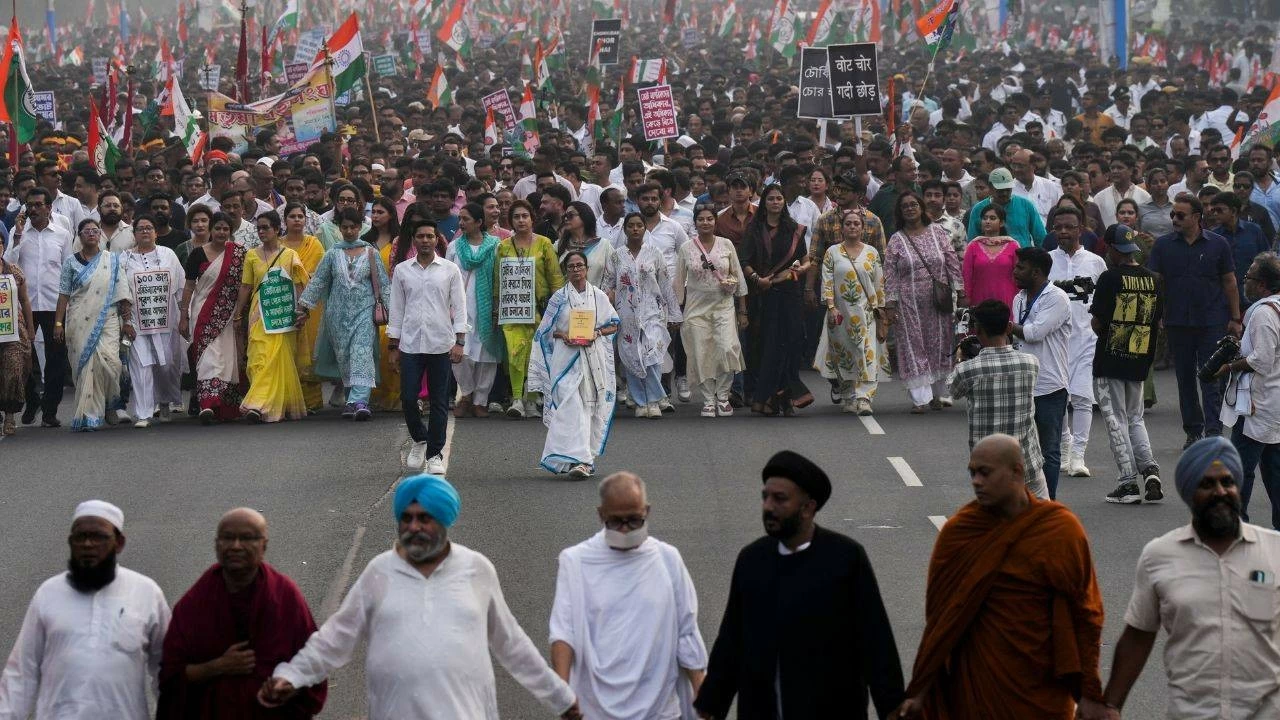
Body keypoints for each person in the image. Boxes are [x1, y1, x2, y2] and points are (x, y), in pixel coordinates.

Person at [258, 474, 583, 720]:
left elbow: (512, 645)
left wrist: (560, 698)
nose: (414, 527)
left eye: (424, 518)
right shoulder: (379, 572)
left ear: (444, 521)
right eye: (407, 518)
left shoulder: (476, 569)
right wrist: (291, 676)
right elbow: (333, 639)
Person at [893, 434, 1106, 720]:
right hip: (977, 687)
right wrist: (920, 689)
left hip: (1042, 689)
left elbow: (1087, 612)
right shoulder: (960, 533)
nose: (976, 482)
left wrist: (1090, 692)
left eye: (985, 472)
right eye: (972, 473)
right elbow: (941, 622)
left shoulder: (1059, 529)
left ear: (1017, 471)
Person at [695, 450, 904, 719]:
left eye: (780, 499)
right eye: (765, 497)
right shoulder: (752, 560)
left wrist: (893, 706)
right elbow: (732, 639)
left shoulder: (845, 558)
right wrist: (711, 703)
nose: (768, 506)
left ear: (808, 508)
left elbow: (876, 640)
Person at [1101, 437, 1280, 719]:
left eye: (1227, 482)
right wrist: (1110, 705)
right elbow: (1138, 636)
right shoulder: (1159, 556)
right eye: (1207, 485)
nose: (1220, 491)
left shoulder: (1275, 551)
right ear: (1188, 493)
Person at [550, 471, 708, 718]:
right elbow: (563, 632)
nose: (625, 530)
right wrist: (563, 693)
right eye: (616, 521)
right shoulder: (576, 561)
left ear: (647, 511)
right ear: (601, 515)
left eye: (634, 520)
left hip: (660, 707)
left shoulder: (667, 559)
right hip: (597, 708)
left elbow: (686, 631)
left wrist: (701, 689)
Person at [0, 500, 170, 719]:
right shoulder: (48, 593)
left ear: (119, 543)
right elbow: (22, 672)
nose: (88, 544)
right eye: (80, 537)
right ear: (71, 543)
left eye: (99, 537)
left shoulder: (147, 592)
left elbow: (166, 669)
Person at [157, 508, 326, 719]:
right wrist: (217, 667)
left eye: (247, 538)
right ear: (216, 545)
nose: (236, 546)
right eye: (228, 538)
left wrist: (287, 684)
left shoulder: (284, 596)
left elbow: (312, 662)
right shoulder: (196, 603)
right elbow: (171, 676)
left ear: (264, 545)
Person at [1147, 194, 1242, 448]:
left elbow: (1229, 281)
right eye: (1172, 215)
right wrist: (1155, 316)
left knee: (1211, 376)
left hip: (1212, 321)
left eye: (1180, 215)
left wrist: (1235, 318)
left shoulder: (1218, 244)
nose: (1174, 219)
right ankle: (1193, 432)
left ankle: (1213, 431)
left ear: (1197, 217)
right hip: (1178, 322)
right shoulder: (1163, 246)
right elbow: (1155, 283)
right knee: (1185, 379)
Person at [1089, 226, 1166, 505]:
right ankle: (1150, 469)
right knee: (1135, 417)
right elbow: (1156, 323)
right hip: (1140, 355)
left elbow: (1097, 323)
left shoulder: (1109, 278)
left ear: (1111, 248)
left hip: (1110, 358)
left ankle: (1127, 483)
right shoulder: (1154, 279)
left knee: (1114, 418)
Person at [295, 207, 391, 421]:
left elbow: (384, 285)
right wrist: (303, 307)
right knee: (346, 357)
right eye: (345, 227)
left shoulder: (370, 253)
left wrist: (394, 313)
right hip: (337, 315)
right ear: (339, 228)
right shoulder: (332, 253)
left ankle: (360, 401)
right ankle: (351, 400)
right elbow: (318, 281)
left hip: (365, 313)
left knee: (362, 353)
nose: (349, 231)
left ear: (360, 228)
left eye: (353, 227)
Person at [528, 251, 619, 476]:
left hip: (592, 359)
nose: (576, 270)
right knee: (570, 407)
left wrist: (597, 332)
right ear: (566, 271)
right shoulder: (558, 298)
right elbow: (545, 331)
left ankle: (583, 461)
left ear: (587, 269)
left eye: (580, 266)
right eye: (571, 267)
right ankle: (576, 458)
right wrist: (564, 335)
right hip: (566, 358)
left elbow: (614, 324)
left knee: (587, 408)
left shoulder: (598, 296)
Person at [948, 300, 1050, 499]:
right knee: (1044, 521)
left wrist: (961, 357)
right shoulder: (1030, 363)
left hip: (989, 471)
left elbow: (953, 390)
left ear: (977, 330)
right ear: (1009, 327)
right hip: (1026, 463)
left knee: (996, 526)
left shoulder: (967, 370)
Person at [389, 220, 468, 475]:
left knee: (439, 402)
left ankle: (435, 454)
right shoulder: (402, 270)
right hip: (411, 343)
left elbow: (460, 305)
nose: (425, 240)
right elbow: (397, 308)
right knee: (409, 398)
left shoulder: (449, 270)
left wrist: (459, 341)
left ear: (437, 240)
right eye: (420, 236)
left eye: (429, 236)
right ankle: (419, 438)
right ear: (413, 239)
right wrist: (393, 344)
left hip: (440, 342)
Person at [884, 191, 965, 413]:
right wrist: (890, 304)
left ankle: (938, 395)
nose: (910, 209)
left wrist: (960, 290)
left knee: (939, 344)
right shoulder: (896, 239)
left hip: (938, 302)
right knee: (913, 347)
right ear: (900, 212)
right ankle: (920, 399)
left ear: (921, 207)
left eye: (913, 204)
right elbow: (889, 273)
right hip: (908, 303)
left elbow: (951, 261)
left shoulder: (937, 232)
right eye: (905, 206)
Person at [739, 184, 814, 416]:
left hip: (790, 294)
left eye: (779, 198)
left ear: (784, 202)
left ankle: (786, 398)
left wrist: (795, 273)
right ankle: (772, 398)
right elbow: (744, 261)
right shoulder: (755, 229)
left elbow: (807, 261)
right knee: (769, 346)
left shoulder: (795, 230)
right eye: (770, 198)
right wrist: (756, 278)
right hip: (763, 295)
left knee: (791, 344)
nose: (775, 202)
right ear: (764, 203)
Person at [54, 219, 135, 431]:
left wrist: (127, 321)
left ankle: (110, 402)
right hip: (78, 320)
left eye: (95, 230)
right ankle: (88, 415)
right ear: (79, 236)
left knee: (111, 363)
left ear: (100, 235)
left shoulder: (112, 261)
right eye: (86, 231)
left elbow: (123, 293)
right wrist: (58, 323)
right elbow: (64, 294)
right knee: (86, 366)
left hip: (108, 318)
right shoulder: (70, 263)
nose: (91, 234)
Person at [1219, 253, 1280, 529]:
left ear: (1264, 284)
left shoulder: (1264, 312)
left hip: (1257, 404)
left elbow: (1262, 360)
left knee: (1239, 468)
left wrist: (1230, 366)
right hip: (1272, 404)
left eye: (1249, 277)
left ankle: (1236, 526)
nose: (1245, 282)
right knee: (1274, 470)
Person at [1048, 205, 1108, 478]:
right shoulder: (1046, 261)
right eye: (1058, 227)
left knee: (1083, 396)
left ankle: (1079, 454)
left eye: (1069, 226)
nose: (1063, 231)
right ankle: (1064, 447)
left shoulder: (1096, 262)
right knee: (1059, 399)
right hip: (1054, 343)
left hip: (1086, 339)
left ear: (1080, 229)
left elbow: (1104, 303)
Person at [232, 210, 309, 423]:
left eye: (266, 228)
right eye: (259, 228)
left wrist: (302, 311)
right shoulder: (251, 255)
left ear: (277, 230)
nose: (262, 231)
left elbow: (299, 284)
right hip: (258, 314)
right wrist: (238, 314)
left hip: (282, 313)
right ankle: (265, 403)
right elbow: (246, 286)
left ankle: (258, 404)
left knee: (277, 359)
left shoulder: (289, 255)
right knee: (258, 357)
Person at [4, 188, 72, 427]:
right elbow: (9, 266)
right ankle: (32, 400)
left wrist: (67, 306)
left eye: (37, 205)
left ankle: (50, 410)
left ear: (48, 208)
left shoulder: (62, 235)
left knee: (55, 359)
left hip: (54, 305)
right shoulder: (17, 232)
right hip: (24, 305)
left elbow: (67, 270)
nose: (32, 209)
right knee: (23, 358)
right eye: (29, 205)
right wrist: (18, 237)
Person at [603, 213, 682, 418]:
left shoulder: (655, 253)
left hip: (652, 313)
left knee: (652, 356)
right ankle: (640, 402)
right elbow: (608, 284)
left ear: (645, 228)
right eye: (631, 226)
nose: (635, 229)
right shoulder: (617, 255)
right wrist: (603, 310)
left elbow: (665, 284)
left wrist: (674, 313)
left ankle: (654, 400)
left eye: (639, 225)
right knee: (631, 356)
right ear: (625, 229)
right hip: (626, 314)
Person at [1011, 246, 1073, 499]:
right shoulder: (1019, 298)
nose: (1014, 271)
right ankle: (1025, 502)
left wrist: (1004, 326)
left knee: (1049, 451)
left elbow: (1035, 333)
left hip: (1050, 386)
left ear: (1036, 272)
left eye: (1020, 267)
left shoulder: (1056, 297)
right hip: (1023, 384)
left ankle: (1047, 505)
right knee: (1020, 450)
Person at [674, 205, 748, 417]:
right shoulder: (686, 248)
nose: (705, 223)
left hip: (723, 305)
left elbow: (738, 276)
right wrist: (676, 313)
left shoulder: (726, 244)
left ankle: (723, 396)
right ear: (695, 222)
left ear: (715, 222)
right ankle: (708, 399)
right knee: (701, 353)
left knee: (727, 348)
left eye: (709, 219)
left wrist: (743, 310)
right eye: (701, 219)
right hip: (695, 308)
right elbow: (678, 282)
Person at [494, 200, 564, 419]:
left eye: (525, 216)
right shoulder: (504, 246)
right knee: (515, 352)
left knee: (535, 355)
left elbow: (554, 278)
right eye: (516, 217)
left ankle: (532, 400)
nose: (521, 220)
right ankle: (516, 398)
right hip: (513, 309)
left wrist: (557, 309)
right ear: (511, 221)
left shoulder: (544, 244)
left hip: (539, 310)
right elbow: (498, 279)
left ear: (532, 219)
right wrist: (497, 306)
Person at [180, 212, 247, 424]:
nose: (221, 232)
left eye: (225, 229)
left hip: (230, 315)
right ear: (211, 230)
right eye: (217, 228)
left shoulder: (239, 254)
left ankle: (224, 406)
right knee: (207, 358)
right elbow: (189, 286)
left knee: (228, 359)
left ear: (231, 231)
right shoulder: (197, 254)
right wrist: (184, 316)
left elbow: (246, 284)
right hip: (203, 313)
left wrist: (241, 315)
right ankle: (207, 405)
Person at [120, 215, 186, 428]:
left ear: (156, 233)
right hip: (137, 322)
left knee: (166, 366)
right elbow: (121, 291)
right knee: (141, 366)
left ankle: (164, 402)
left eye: (149, 228)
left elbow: (180, 288)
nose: (145, 232)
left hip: (167, 321)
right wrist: (126, 321)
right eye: (140, 229)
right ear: (134, 234)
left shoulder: (168, 254)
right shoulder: (124, 259)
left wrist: (184, 317)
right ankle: (143, 413)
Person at [819, 208, 884, 415]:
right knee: (843, 353)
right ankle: (848, 395)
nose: (853, 227)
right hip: (840, 313)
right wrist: (831, 307)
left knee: (867, 352)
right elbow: (827, 280)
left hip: (866, 312)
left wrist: (881, 311)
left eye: (856, 223)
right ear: (842, 228)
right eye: (848, 223)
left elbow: (879, 283)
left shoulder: (872, 253)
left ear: (863, 228)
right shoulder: (832, 252)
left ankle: (865, 397)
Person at [446, 202, 503, 418]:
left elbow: (501, 274)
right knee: (460, 353)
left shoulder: (497, 246)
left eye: (466, 219)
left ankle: (481, 400)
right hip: (459, 306)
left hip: (487, 305)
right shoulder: (454, 248)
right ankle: (467, 394)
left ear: (479, 222)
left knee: (486, 354)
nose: (461, 223)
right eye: (460, 218)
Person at [279, 202, 326, 413]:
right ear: (285, 220)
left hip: (310, 304)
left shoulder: (314, 244)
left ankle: (311, 402)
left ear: (306, 220)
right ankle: (289, 399)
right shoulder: (279, 245)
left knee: (308, 348)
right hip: (283, 301)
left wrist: (301, 281)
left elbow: (320, 274)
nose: (297, 220)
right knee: (287, 350)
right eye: (292, 216)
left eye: (300, 216)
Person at [966, 169, 1047, 248]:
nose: (1005, 193)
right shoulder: (978, 209)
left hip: (1022, 258)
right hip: (990, 258)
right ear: (990, 187)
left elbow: (1040, 237)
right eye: (1000, 190)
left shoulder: (1025, 205)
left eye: (1008, 189)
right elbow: (972, 242)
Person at [0, 255, 34, 436]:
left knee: (13, 370)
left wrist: (30, 328)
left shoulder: (14, 271)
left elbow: (25, 300)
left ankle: (10, 415)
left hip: (13, 331)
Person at [961, 203, 1019, 308]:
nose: (987, 221)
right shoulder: (973, 246)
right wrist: (967, 297)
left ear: (1001, 223)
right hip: (979, 299)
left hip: (1007, 298)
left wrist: (1020, 299)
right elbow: (967, 275)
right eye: (985, 218)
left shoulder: (1013, 246)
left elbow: (1019, 274)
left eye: (992, 218)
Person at [556, 200, 610, 287]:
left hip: (596, 297)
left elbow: (613, 274)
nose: (566, 219)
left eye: (570, 215)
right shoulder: (558, 245)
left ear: (584, 216)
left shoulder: (603, 245)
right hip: (567, 298)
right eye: (565, 216)